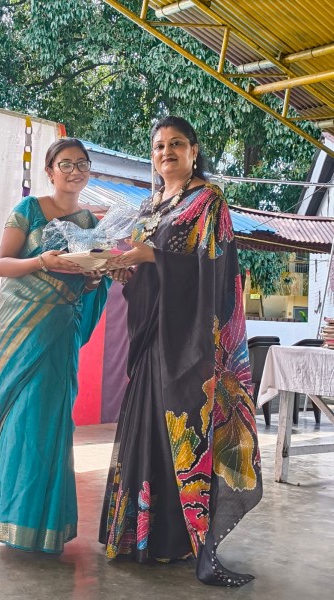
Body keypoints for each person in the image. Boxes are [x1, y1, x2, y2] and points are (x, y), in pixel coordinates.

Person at [99, 116, 263, 586]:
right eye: (158, 146)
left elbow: (216, 267)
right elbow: (145, 270)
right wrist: (126, 270)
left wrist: (152, 256)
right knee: (151, 429)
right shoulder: (151, 205)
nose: (166, 152)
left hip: (193, 342)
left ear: (194, 150)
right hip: (154, 336)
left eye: (176, 144)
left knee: (191, 434)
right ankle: (152, 540)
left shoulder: (208, 200)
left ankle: (203, 551)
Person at [0, 138, 110, 553]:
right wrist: (43, 261)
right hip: (22, 327)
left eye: (82, 164)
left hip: (59, 330)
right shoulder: (28, 210)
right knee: (21, 422)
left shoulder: (90, 222)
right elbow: (1, 265)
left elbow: (89, 279)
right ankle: (13, 519)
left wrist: (95, 277)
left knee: (53, 423)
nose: (74, 171)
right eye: (66, 164)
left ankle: (46, 527)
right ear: (50, 171)